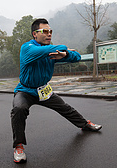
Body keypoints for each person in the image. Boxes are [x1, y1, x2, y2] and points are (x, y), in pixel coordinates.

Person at [11, 18, 102, 163]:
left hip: (43, 90)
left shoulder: (52, 51)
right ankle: (18, 146)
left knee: (64, 107)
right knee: (19, 109)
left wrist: (65, 55)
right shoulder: (27, 48)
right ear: (35, 34)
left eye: (50, 31)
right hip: (26, 90)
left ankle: (85, 124)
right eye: (45, 31)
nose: (49, 34)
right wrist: (64, 48)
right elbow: (46, 50)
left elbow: (77, 57)